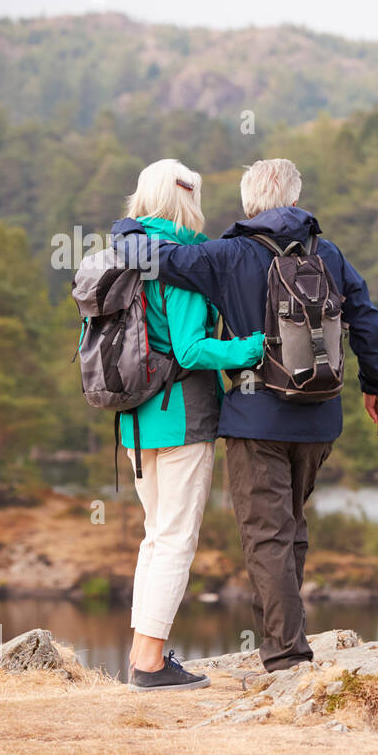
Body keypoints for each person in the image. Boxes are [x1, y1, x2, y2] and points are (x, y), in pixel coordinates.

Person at [112, 158, 378, 673]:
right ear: (294, 198)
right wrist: (376, 384)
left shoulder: (225, 255)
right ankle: (283, 643)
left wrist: (126, 224)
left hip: (252, 419)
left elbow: (145, 256)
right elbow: (366, 319)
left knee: (267, 535)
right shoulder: (328, 252)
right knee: (291, 528)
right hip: (319, 418)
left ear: (247, 202)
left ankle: (285, 655)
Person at [117, 159, 265, 691]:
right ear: (188, 200)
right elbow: (191, 348)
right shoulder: (183, 260)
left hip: (135, 419)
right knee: (176, 540)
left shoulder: (124, 253)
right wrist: (251, 348)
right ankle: (152, 665)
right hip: (182, 414)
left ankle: (141, 655)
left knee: (155, 537)